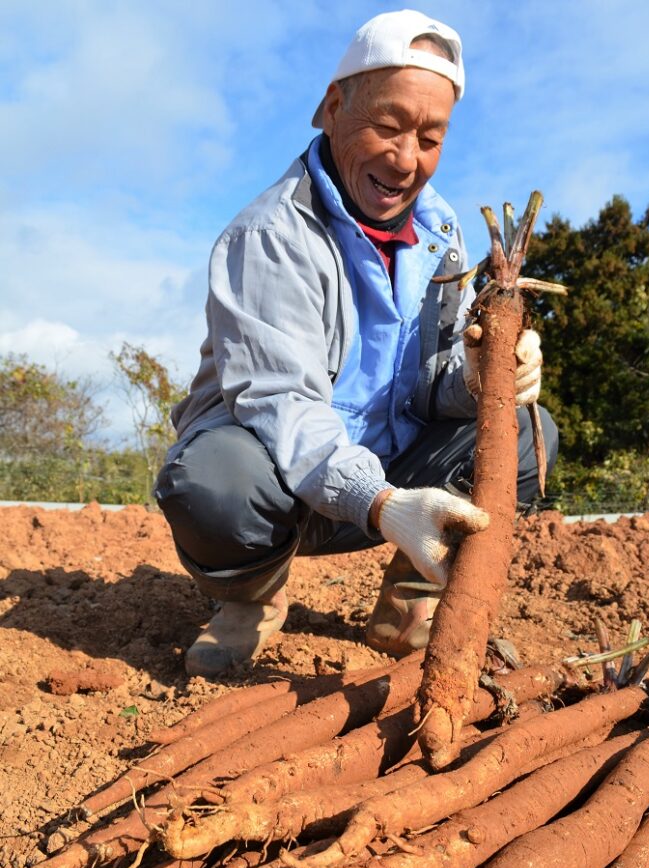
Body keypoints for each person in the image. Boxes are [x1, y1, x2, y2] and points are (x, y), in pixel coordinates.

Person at [155, 9, 558, 677]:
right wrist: (383, 505)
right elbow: (282, 406)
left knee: (523, 431)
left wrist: (479, 376)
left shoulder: (440, 234)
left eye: (430, 138)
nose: (406, 159)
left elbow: (428, 380)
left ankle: (413, 600)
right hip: (284, 488)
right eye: (388, 126)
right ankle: (251, 598)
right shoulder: (272, 236)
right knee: (214, 482)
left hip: (388, 478)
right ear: (335, 108)